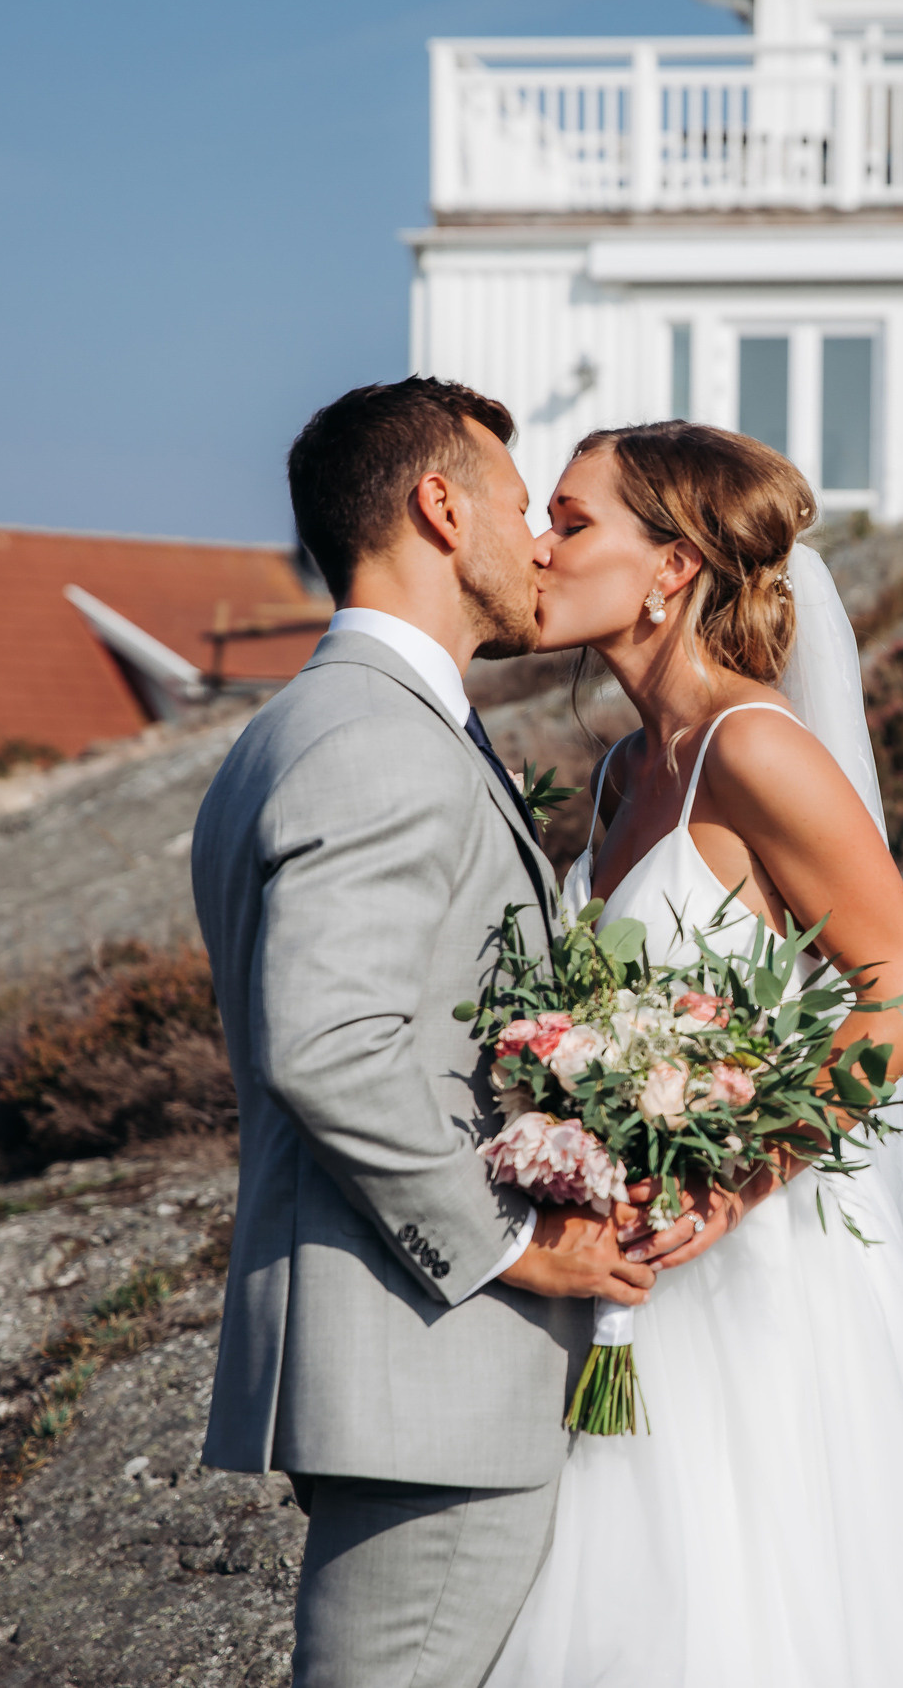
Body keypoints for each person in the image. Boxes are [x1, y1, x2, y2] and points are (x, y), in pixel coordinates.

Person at [483, 421, 903, 1687]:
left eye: (571, 520)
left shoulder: (753, 748)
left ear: (672, 564)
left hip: (750, 1272)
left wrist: (727, 1178)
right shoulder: (615, 776)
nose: (538, 548)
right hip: (628, 1272)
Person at [190, 378, 657, 1688]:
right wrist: (512, 1240)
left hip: (416, 1377)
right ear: (440, 507)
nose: (540, 540)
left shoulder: (310, 726)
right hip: (431, 1377)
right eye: (521, 505)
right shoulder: (374, 742)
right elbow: (330, 1043)